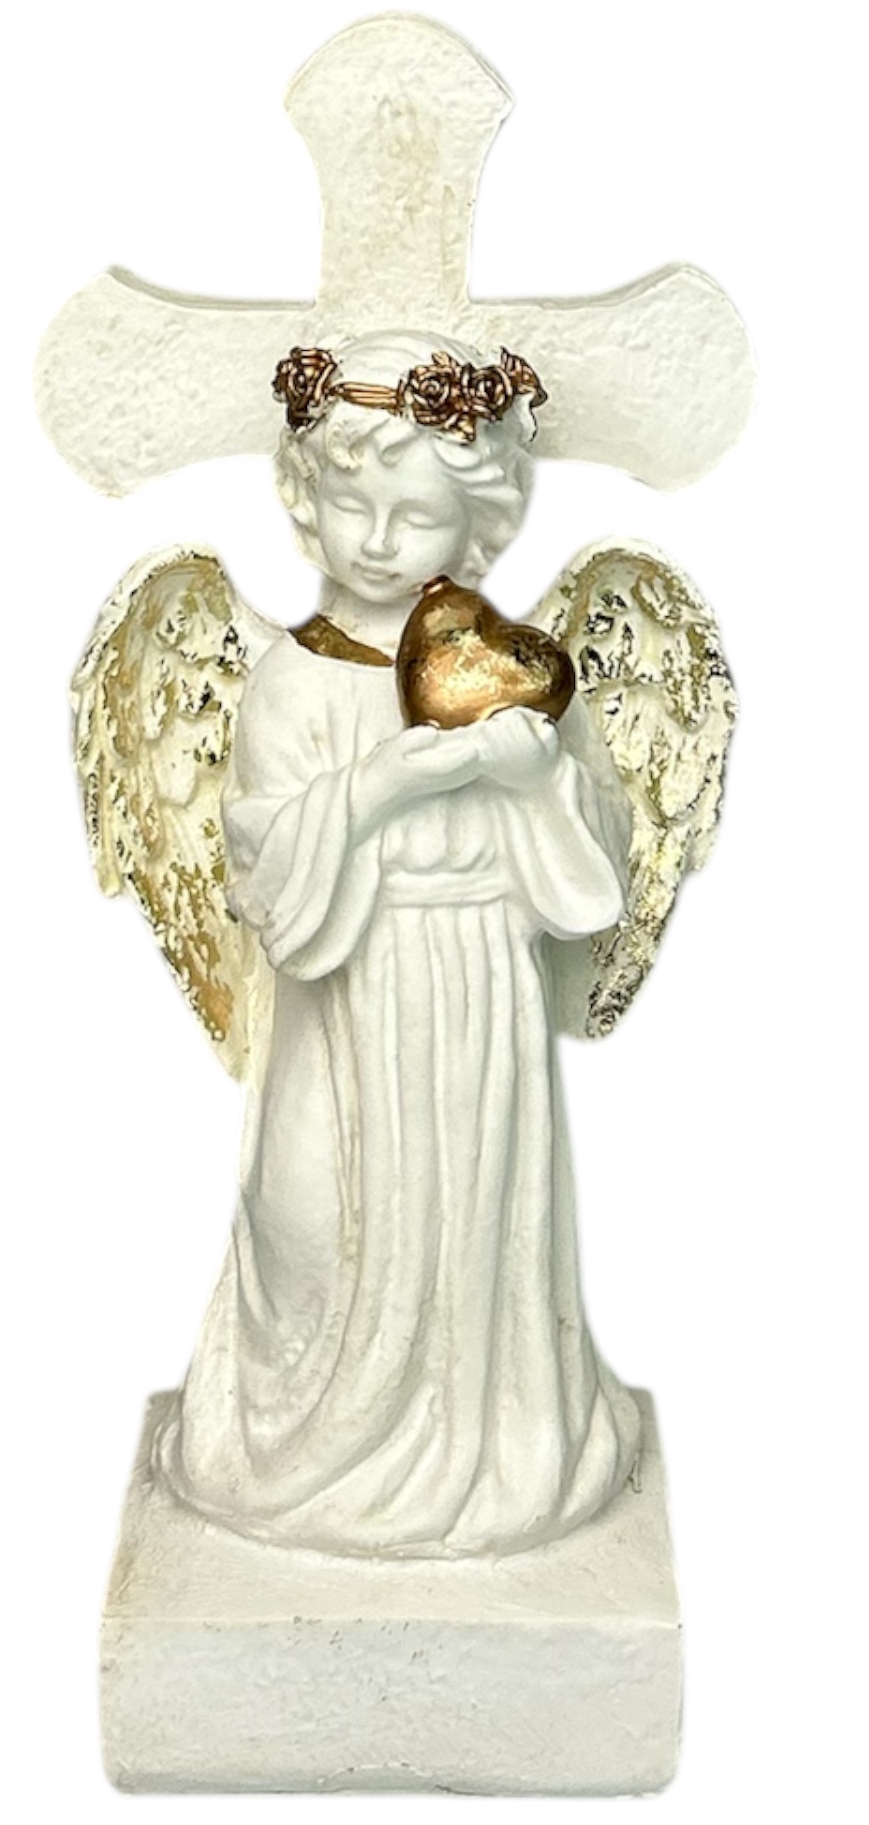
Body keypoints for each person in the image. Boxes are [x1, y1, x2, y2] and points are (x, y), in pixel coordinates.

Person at [154, 330, 641, 1557]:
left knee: (469, 1243)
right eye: (350, 505)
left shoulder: (521, 677)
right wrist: (402, 776)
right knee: (312, 1225)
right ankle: (302, 1454)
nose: (376, 541)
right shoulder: (292, 680)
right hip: (347, 1002)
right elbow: (267, 873)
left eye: (415, 514)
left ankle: (481, 1452)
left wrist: (530, 781)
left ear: (478, 522)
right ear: (304, 498)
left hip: (474, 994)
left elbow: (590, 886)